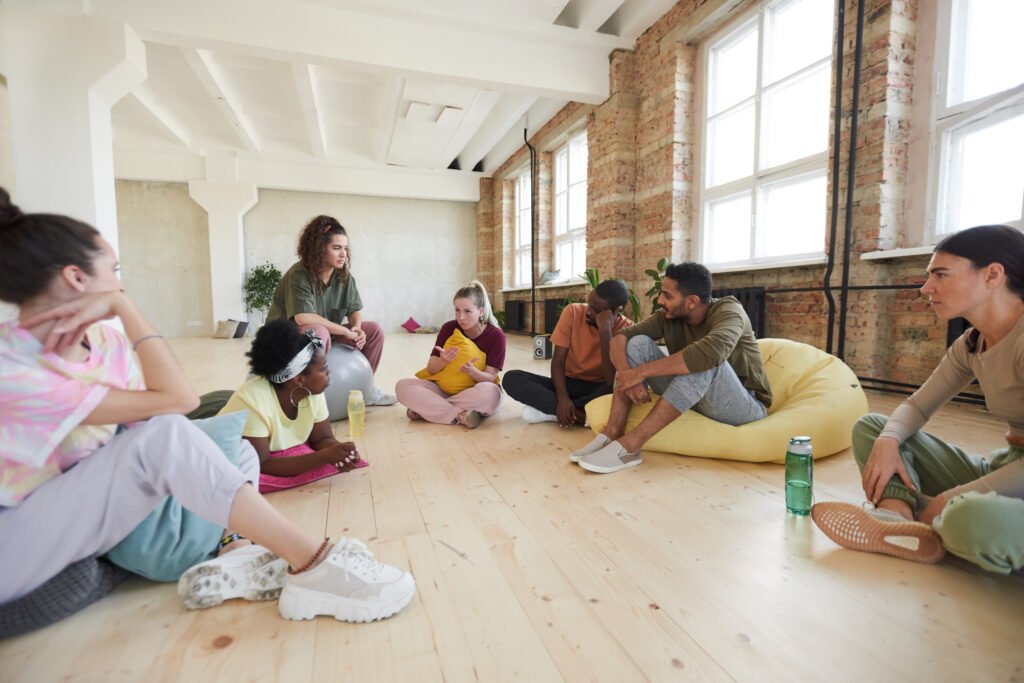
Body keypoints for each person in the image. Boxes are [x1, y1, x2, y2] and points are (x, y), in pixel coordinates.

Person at [0, 188, 415, 623]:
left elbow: (168, 410)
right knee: (168, 438)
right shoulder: (14, 370)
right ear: (76, 279)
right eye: (115, 271)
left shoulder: (104, 342)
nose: (121, 284)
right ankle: (312, 562)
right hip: (18, 534)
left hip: (82, 501)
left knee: (230, 447)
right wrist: (124, 306)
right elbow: (175, 408)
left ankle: (236, 551)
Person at [812, 225, 1024, 574]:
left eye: (940, 275)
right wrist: (888, 440)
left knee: (968, 517)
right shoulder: (971, 344)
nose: (927, 288)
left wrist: (949, 499)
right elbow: (918, 406)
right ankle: (896, 517)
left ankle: (944, 520)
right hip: (1006, 466)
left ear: (993, 275)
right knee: (872, 427)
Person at [572, 262, 771, 474]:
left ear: (692, 301)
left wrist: (640, 372)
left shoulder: (729, 311)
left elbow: (710, 353)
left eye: (667, 296)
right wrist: (628, 374)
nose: (660, 300)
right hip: (694, 394)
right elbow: (620, 338)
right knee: (637, 343)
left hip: (744, 406)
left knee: (704, 360)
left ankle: (631, 446)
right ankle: (612, 433)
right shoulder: (669, 316)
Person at [219, 321, 368, 493]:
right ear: (299, 379)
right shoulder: (252, 401)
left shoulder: (312, 393)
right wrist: (323, 457)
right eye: (324, 369)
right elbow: (261, 464)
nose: (329, 373)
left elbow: (321, 439)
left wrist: (339, 451)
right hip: (213, 423)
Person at [267, 215, 396, 406]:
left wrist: (357, 328)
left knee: (374, 330)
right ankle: (307, 397)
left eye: (345, 248)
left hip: (326, 335)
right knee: (318, 332)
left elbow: (354, 309)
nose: (343, 254)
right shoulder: (299, 274)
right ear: (320, 249)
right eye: (336, 248)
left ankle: (365, 389)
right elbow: (303, 317)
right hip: (286, 341)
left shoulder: (343, 276)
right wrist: (345, 331)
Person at [504, 279, 633, 427]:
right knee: (512, 378)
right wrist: (563, 399)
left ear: (616, 311)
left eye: (596, 310)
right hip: (567, 383)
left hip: (599, 388)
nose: (589, 311)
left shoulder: (627, 329)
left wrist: (605, 330)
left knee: (619, 388)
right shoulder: (573, 312)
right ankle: (581, 416)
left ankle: (554, 412)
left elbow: (611, 379)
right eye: (589, 304)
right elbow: (558, 362)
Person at [395, 281, 505, 428]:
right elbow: (432, 369)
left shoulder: (496, 336)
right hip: (443, 391)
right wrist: (443, 361)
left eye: (467, 311)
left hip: (474, 392)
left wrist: (473, 372)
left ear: (481, 311)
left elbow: (490, 377)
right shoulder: (448, 328)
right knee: (402, 386)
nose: (461, 317)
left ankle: (429, 410)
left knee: (491, 394)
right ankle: (461, 414)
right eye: (457, 310)